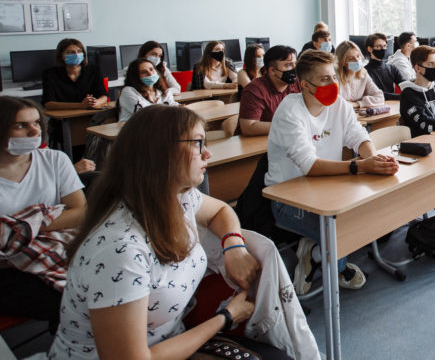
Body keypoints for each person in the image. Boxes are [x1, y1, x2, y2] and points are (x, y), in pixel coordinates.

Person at [48, 105, 319, 359]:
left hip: (172, 339)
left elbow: (220, 211)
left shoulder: (179, 198)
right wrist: (225, 318)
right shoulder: (119, 251)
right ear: (159, 153)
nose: (207, 153)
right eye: (198, 144)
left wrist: (233, 246)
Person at [266, 50, 398, 293]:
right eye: (325, 79)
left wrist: (374, 159)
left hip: (329, 188)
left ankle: (316, 251)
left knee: (364, 217)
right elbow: (309, 165)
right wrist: (360, 166)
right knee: (341, 230)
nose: (333, 84)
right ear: (305, 85)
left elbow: (358, 136)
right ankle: (325, 259)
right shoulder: (290, 111)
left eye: (334, 78)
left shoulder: (338, 104)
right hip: (289, 200)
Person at [0, 96, 85, 330]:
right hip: (8, 267)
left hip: (55, 249)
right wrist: (51, 218)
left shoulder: (55, 160)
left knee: (91, 286)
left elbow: (81, 212)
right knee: (70, 299)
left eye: (36, 123)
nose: (33, 131)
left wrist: (24, 228)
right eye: (21, 125)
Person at [236, 45, 301, 137]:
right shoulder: (254, 90)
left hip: (288, 138)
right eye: (289, 65)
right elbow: (248, 127)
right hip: (257, 144)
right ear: (273, 70)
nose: (295, 69)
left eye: (295, 64)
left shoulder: (297, 83)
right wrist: (288, 126)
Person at [117, 58, 178, 122]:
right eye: (143, 72)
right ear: (136, 77)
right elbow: (146, 115)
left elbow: (173, 106)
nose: (150, 74)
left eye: (151, 69)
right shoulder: (128, 91)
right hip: (133, 130)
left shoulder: (163, 92)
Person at [335, 40, 384, 110]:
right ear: (342, 62)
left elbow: (380, 97)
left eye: (358, 56)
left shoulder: (363, 74)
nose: (357, 60)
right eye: (351, 58)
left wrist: (358, 104)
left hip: (356, 115)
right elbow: (334, 103)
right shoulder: (334, 77)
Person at [364, 33, 404, 100]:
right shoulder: (365, 72)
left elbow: (404, 85)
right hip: (376, 105)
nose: (383, 49)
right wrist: (401, 96)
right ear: (370, 49)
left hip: (393, 104)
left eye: (385, 46)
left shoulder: (392, 69)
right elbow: (377, 93)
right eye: (379, 46)